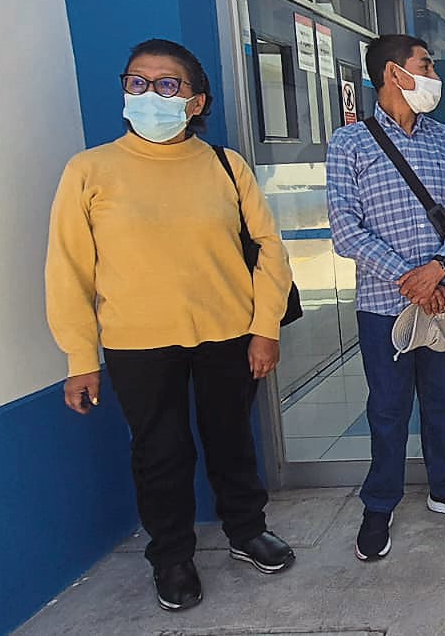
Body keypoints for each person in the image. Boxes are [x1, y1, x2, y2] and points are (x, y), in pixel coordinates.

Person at [46, 39, 296, 612]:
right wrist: (80, 358)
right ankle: (173, 557)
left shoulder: (226, 166)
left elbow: (268, 249)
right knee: (159, 452)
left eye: (167, 85)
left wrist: (266, 328)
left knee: (231, 439)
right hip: (138, 341)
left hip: (228, 333)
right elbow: (67, 269)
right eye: (138, 82)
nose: (150, 94)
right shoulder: (90, 170)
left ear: (195, 101)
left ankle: (245, 529)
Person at [326, 34, 445, 562]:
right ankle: (380, 502)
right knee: (388, 409)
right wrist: (410, 279)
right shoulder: (348, 143)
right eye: (425, 65)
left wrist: (439, 269)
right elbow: (345, 231)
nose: (433, 75)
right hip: (384, 306)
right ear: (394, 74)